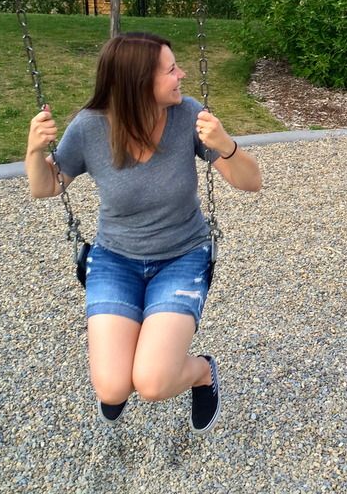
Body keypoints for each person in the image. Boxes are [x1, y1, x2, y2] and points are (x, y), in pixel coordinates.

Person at [25, 32, 261, 433]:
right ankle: (122, 377)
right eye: (171, 70)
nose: (181, 74)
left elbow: (251, 182)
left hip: (182, 257)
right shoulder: (89, 128)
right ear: (139, 85)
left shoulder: (187, 115)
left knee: (152, 382)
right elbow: (45, 187)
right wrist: (34, 152)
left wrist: (226, 145)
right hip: (115, 260)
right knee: (113, 387)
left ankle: (203, 372)